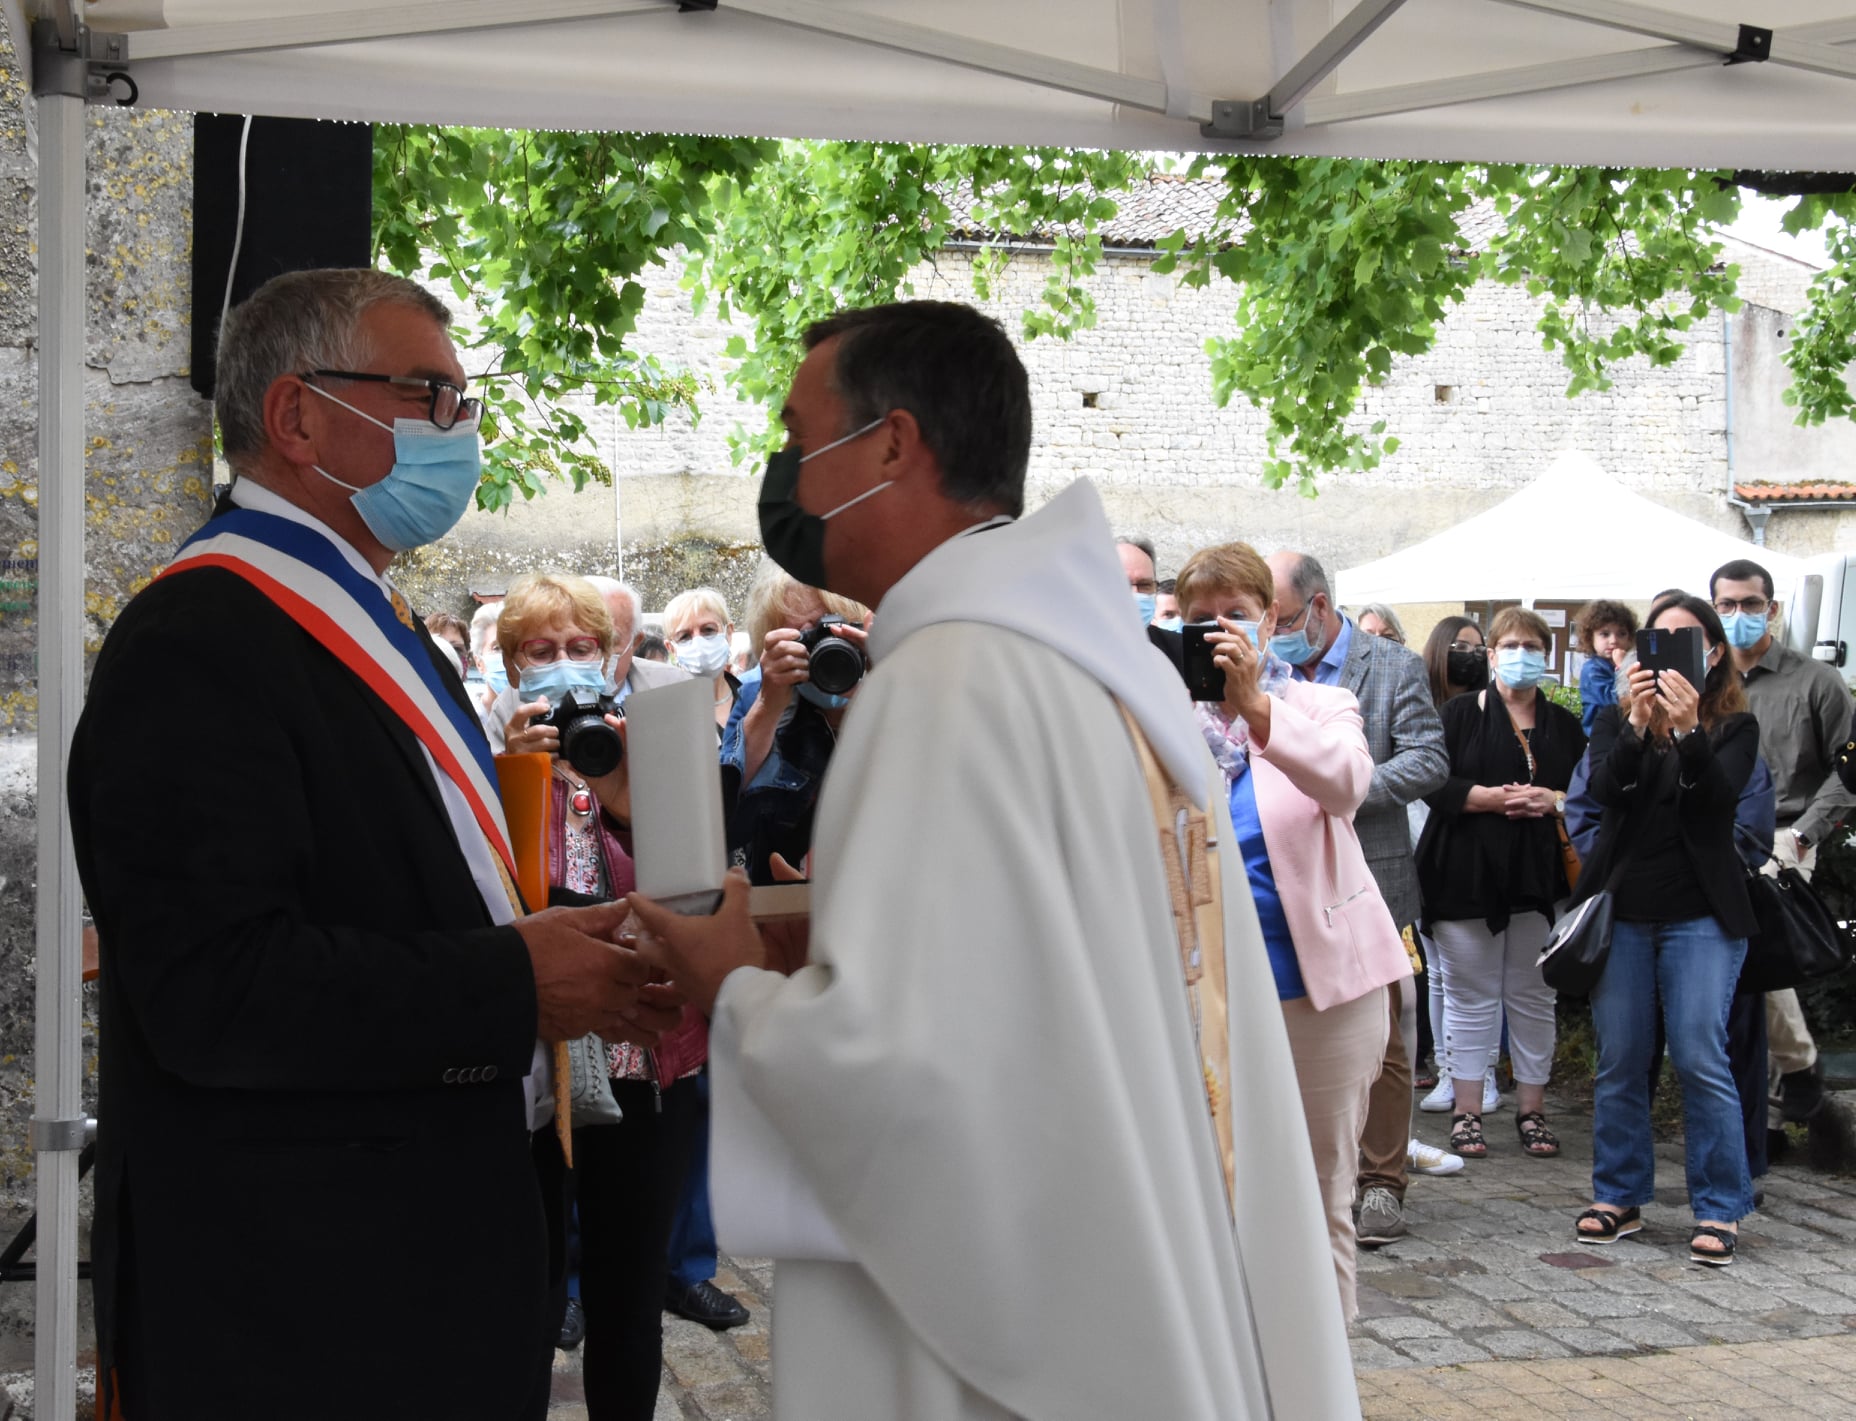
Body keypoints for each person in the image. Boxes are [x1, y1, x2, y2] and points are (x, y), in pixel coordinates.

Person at [626, 300, 1354, 1419]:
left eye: (794, 431)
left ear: (889, 445)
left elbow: (909, 1076)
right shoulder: (1111, 666)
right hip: (1147, 1241)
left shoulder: (944, 682)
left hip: (1012, 1333)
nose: (782, 467)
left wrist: (731, 980)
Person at [66, 268, 679, 1420]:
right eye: (426, 396)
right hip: (304, 1301)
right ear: (297, 417)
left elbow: (404, 887)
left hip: (409, 1263)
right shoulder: (200, 637)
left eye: (462, 401)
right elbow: (217, 985)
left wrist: (553, 936)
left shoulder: (376, 619)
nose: (461, 430)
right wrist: (516, 977)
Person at [498, 573, 713, 1412]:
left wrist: (627, 803)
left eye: (579, 647)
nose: (563, 665)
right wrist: (514, 779)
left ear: (611, 654)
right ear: (512, 664)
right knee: (535, 1283)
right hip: (534, 1062)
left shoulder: (652, 743)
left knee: (629, 1292)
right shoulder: (486, 750)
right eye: (541, 651)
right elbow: (492, 905)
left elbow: (691, 896)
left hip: (642, 1056)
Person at [1182, 545, 1414, 1316]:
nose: (1216, 631)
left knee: (1320, 1196)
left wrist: (1257, 711)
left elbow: (1349, 784)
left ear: (1270, 619)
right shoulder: (1161, 730)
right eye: (1197, 619)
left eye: (1234, 615)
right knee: (1209, 1199)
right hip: (1204, 997)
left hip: (1319, 994)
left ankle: (1323, 1385)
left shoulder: (1316, 706)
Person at [1264, 553, 1447, 1251]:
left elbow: (1429, 758)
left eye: (1281, 617)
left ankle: (1381, 1182)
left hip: (1373, 872)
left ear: (1317, 606)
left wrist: (1341, 783)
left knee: (1388, 1029)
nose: (1272, 630)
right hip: (1285, 881)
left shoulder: (1390, 666)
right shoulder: (1261, 672)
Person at [1574, 593, 1758, 1265]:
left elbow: (1716, 802)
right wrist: (1638, 723)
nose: (1670, 653)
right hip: (1624, 911)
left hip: (1703, 915)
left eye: (1686, 641)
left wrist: (1687, 733)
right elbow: (1604, 792)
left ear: (1711, 654)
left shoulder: (1735, 728)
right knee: (1621, 1056)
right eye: (1659, 641)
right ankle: (1619, 1194)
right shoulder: (1615, 721)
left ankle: (1719, 1205)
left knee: (1699, 1054)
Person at [1415, 608, 1584, 1162]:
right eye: (1509, 644)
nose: (1521, 654)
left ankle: (1532, 1109)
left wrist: (1550, 799)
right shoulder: (1459, 714)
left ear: (1547, 654)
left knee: (1534, 996)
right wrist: (1489, 797)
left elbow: (1588, 793)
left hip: (1538, 878)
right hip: (1465, 872)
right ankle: (1468, 1113)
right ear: (1490, 654)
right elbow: (1431, 781)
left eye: (1531, 645)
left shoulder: (1563, 724)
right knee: (1469, 998)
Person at [1711, 558, 1853, 1135]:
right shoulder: (1703, 680)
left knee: (1752, 941)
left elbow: (1850, 769)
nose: (1738, 615)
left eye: (1750, 603)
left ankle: (1797, 1067)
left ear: (1772, 608)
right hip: (1710, 839)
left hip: (1782, 837)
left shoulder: (1816, 680)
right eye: (1726, 605)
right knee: (1738, 961)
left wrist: (1805, 834)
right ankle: (1771, 1110)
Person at [723, 563, 871, 884]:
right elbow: (723, 815)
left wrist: (878, 687)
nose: (821, 651)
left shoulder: (892, 685)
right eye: (805, 638)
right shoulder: (756, 691)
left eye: (828, 630)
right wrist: (767, 706)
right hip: (777, 896)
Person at [664, 586, 742, 734]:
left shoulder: (754, 700)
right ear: (671, 649)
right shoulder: (662, 712)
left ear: (729, 633)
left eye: (708, 630)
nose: (698, 643)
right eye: (684, 636)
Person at [1574, 598, 1639, 735]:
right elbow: (1614, 701)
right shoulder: (1592, 669)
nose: (1613, 641)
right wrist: (1622, 668)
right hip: (1599, 734)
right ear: (1590, 638)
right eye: (1605, 634)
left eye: (1621, 634)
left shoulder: (1627, 663)